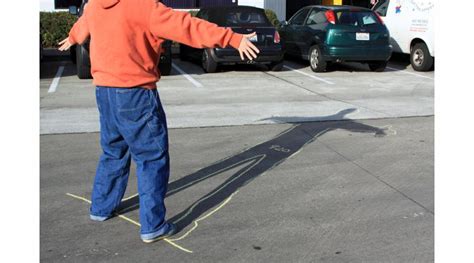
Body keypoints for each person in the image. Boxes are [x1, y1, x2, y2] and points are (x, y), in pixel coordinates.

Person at [58, 0, 259, 244]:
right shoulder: (143, 6)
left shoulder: (95, 4)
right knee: (151, 158)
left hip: (105, 92)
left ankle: (101, 208)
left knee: (113, 151)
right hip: (135, 94)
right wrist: (232, 38)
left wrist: (73, 36)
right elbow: (187, 26)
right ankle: (153, 225)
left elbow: (85, 22)